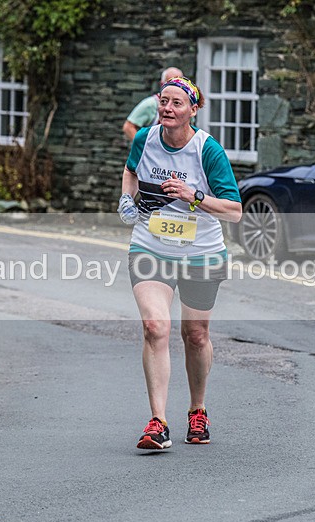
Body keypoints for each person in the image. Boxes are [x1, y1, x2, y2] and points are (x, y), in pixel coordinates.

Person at [118, 76, 242, 450]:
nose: (167, 109)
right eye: (163, 102)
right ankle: (157, 421)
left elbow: (234, 211)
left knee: (195, 335)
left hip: (200, 251)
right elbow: (131, 171)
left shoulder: (208, 151)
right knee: (155, 326)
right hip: (150, 246)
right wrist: (127, 200)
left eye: (176, 103)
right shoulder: (146, 138)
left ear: (193, 110)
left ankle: (197, 410)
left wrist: (194, 195)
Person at [122, 67, 184, 142]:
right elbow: (128, 127)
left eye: (179, 84)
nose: (175, 87)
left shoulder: (186, 106)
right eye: (171, 84)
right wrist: (143, 147)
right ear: (162, 84)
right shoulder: (151, 104)